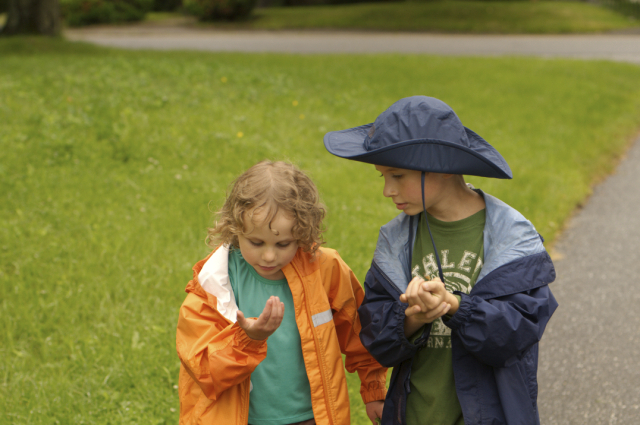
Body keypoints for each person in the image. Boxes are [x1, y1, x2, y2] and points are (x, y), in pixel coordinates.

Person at [322, 96, 558, 425]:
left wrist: (457, 307)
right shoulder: (395, 241)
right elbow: (378, 340)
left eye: (398, 176)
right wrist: (412, 318)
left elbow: (516, 335)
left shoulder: (513, 240)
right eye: (383, 177)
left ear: (442, 168)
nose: (388, 190)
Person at [176, 160, 387, 425]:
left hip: (313, 417)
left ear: (303, 232)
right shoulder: (214, 281)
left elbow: (362, 333)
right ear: (234, 228)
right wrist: (248, 340)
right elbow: (202, 367)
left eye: (283, 243)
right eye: (256, 242)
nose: (268, 255)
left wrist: (374, 390)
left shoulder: (325, 269)